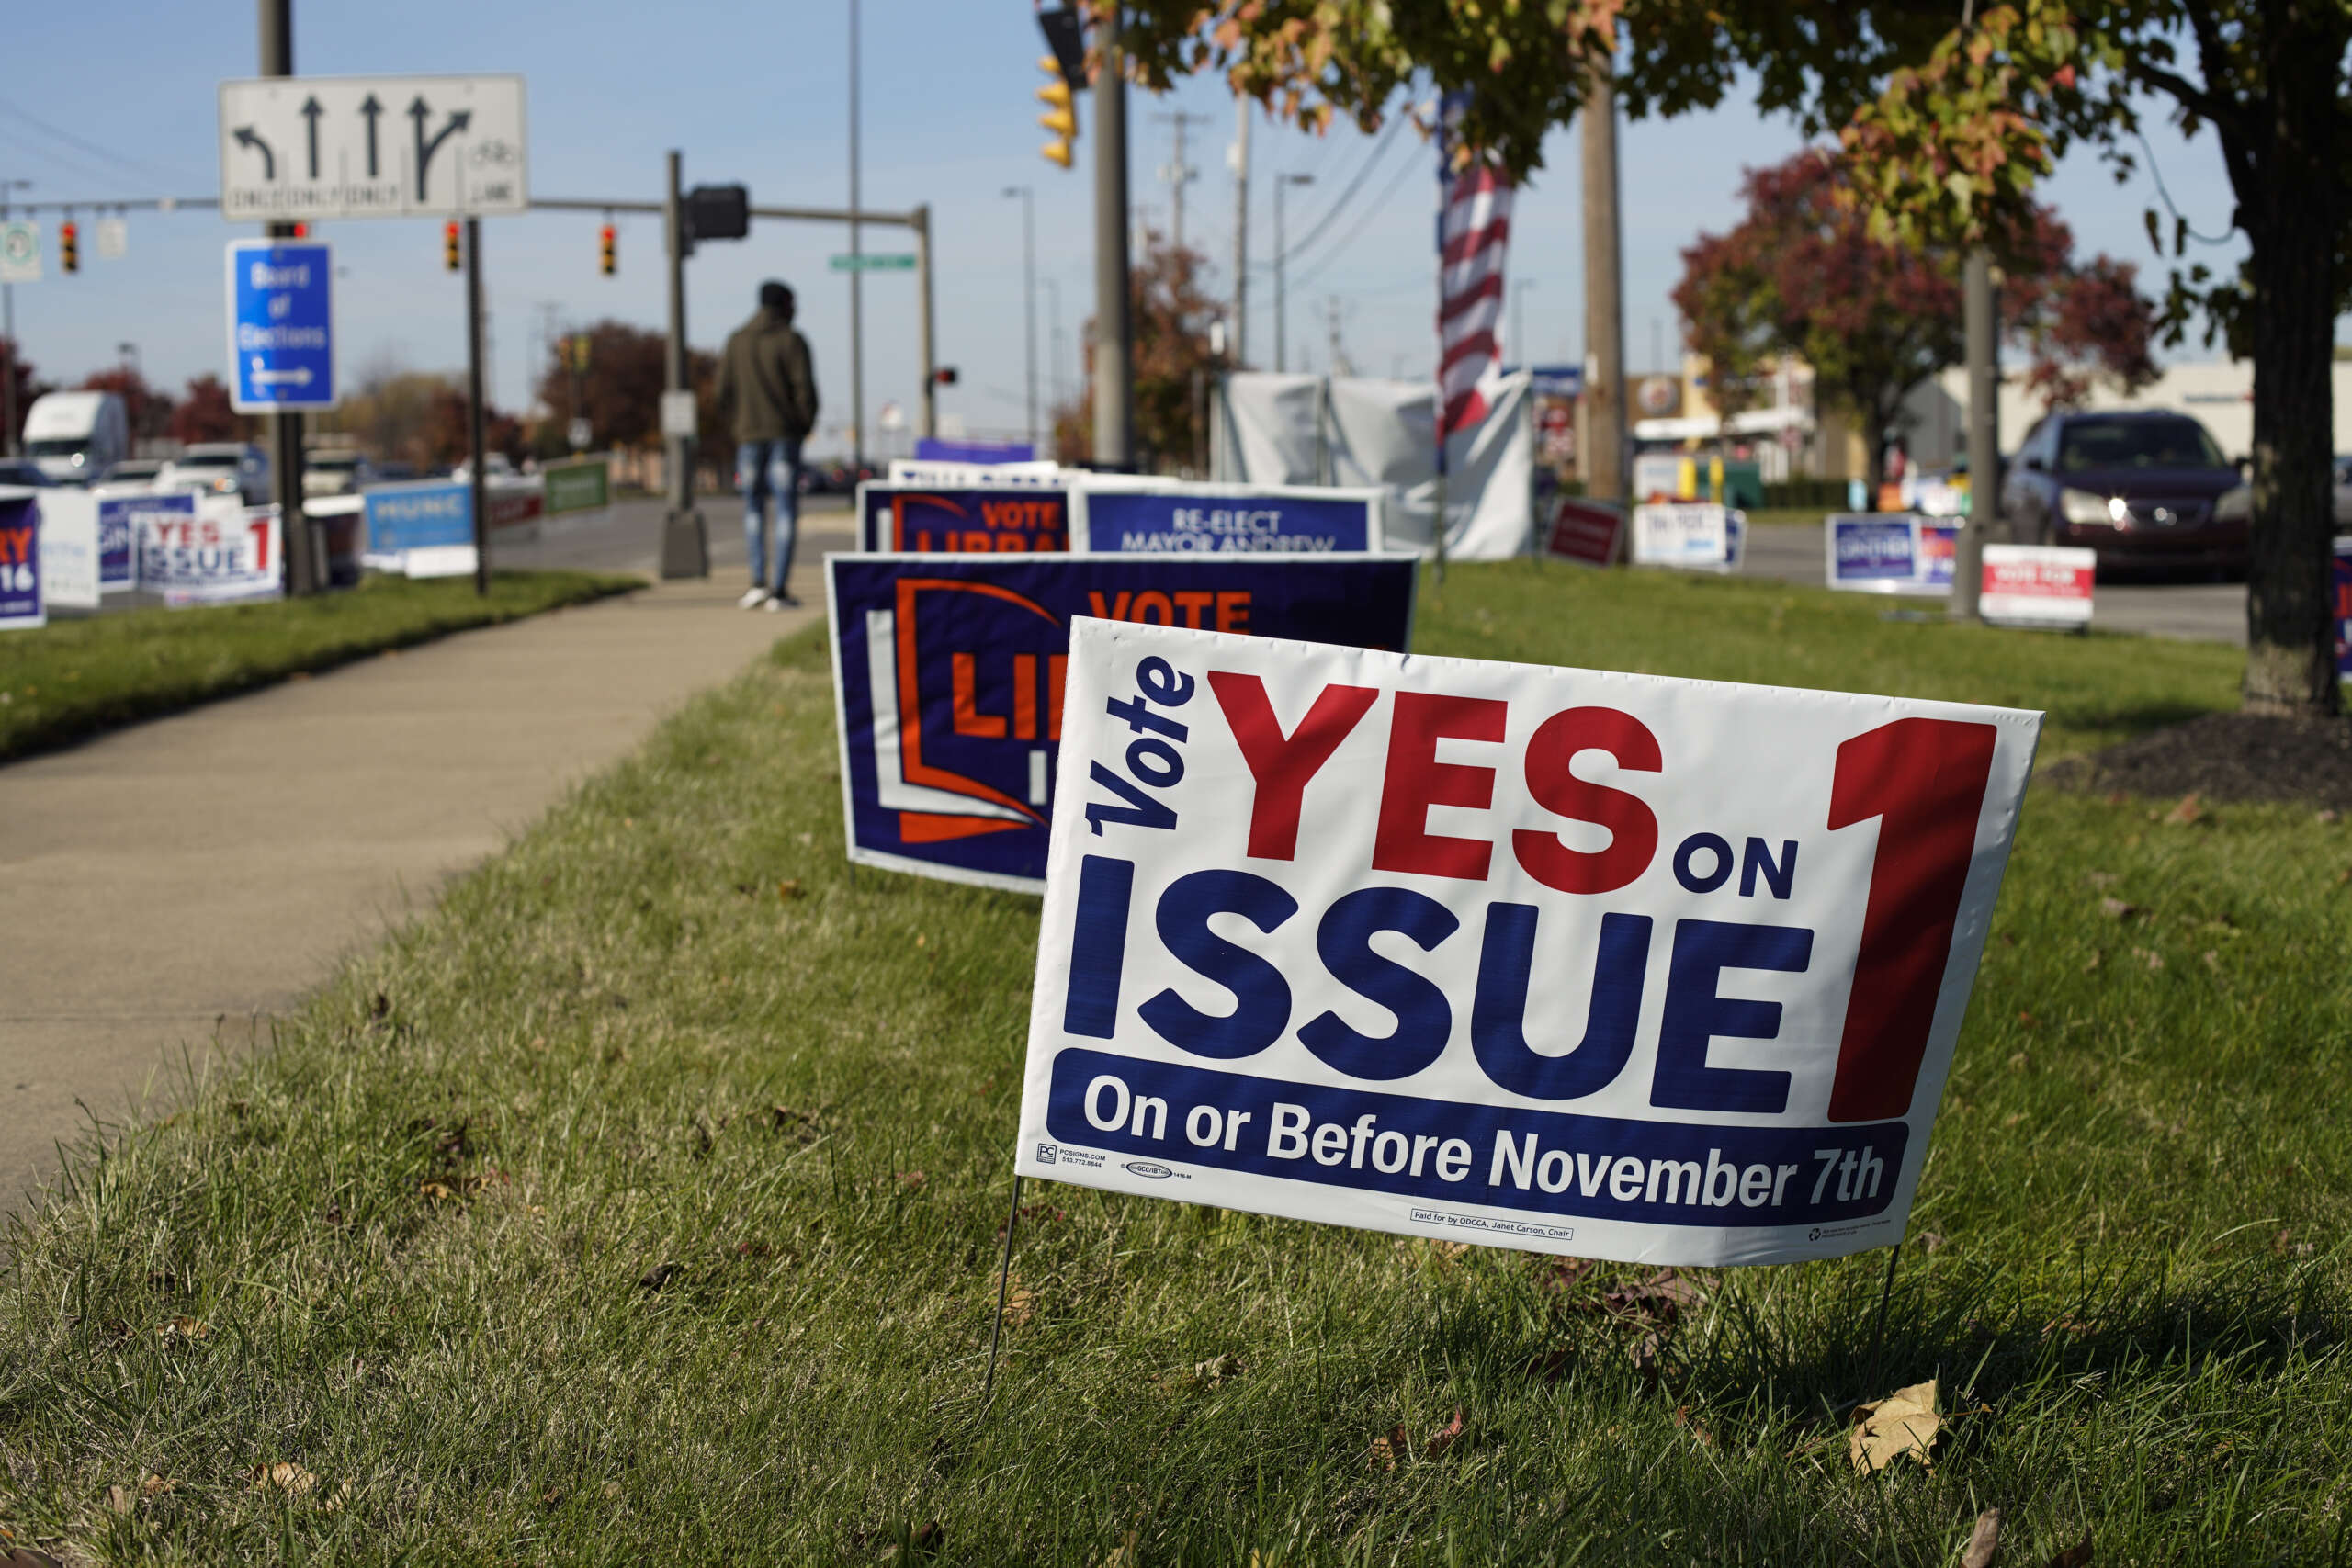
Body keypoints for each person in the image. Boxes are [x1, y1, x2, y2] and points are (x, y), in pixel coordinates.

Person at [715, 281, 820, 609]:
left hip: (748, 436)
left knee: (753, 508)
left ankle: (757, 582)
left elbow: (721, 393)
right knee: (786, 509)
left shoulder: (737, 342)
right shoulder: (792, 341)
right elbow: (805, 391)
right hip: (784, 436)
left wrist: (737, 426)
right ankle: (779, 590)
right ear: (784, 305)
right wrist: (802, 426)